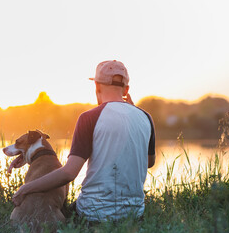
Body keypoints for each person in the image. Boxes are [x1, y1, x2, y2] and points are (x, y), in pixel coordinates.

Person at [12, 60, 156, 222]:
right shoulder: (146, 118)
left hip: (93, 215)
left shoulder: (89, 118)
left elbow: (68, 173)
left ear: (97, 86)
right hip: (134, 216)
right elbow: (149, 162)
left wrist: (26, 188)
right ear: (126, 89)